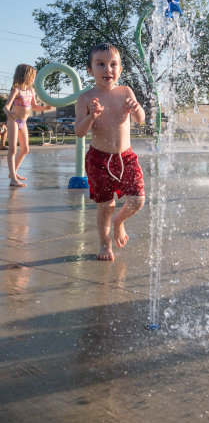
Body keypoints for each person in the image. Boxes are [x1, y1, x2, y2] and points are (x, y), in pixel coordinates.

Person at [75, 42, 146, 261]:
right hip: (99, 158)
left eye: (113, 64)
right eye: (101, 64)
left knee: (137, 200)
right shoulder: (86, 98)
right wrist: (92, 117)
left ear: (120, 69)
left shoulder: (125, 91)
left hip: (125, 156)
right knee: (106, 206)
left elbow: (141, 120)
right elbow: (79, 132)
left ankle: (119, 221)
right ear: (90, 70)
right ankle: (105, 244)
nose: (108, 69)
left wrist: (136, 109)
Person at [3, 64, 52, 187]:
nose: (34, 79)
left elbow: (34, 107)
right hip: (13, 120)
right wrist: (9, 113)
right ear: (26, 76)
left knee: (25, 149)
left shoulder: (31, 91)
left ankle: (12, 172)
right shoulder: (16, 90)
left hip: (23, 122)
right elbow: (6, 107)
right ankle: (13, 179)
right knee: (13, 149)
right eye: (33, 76)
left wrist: (45, 107)